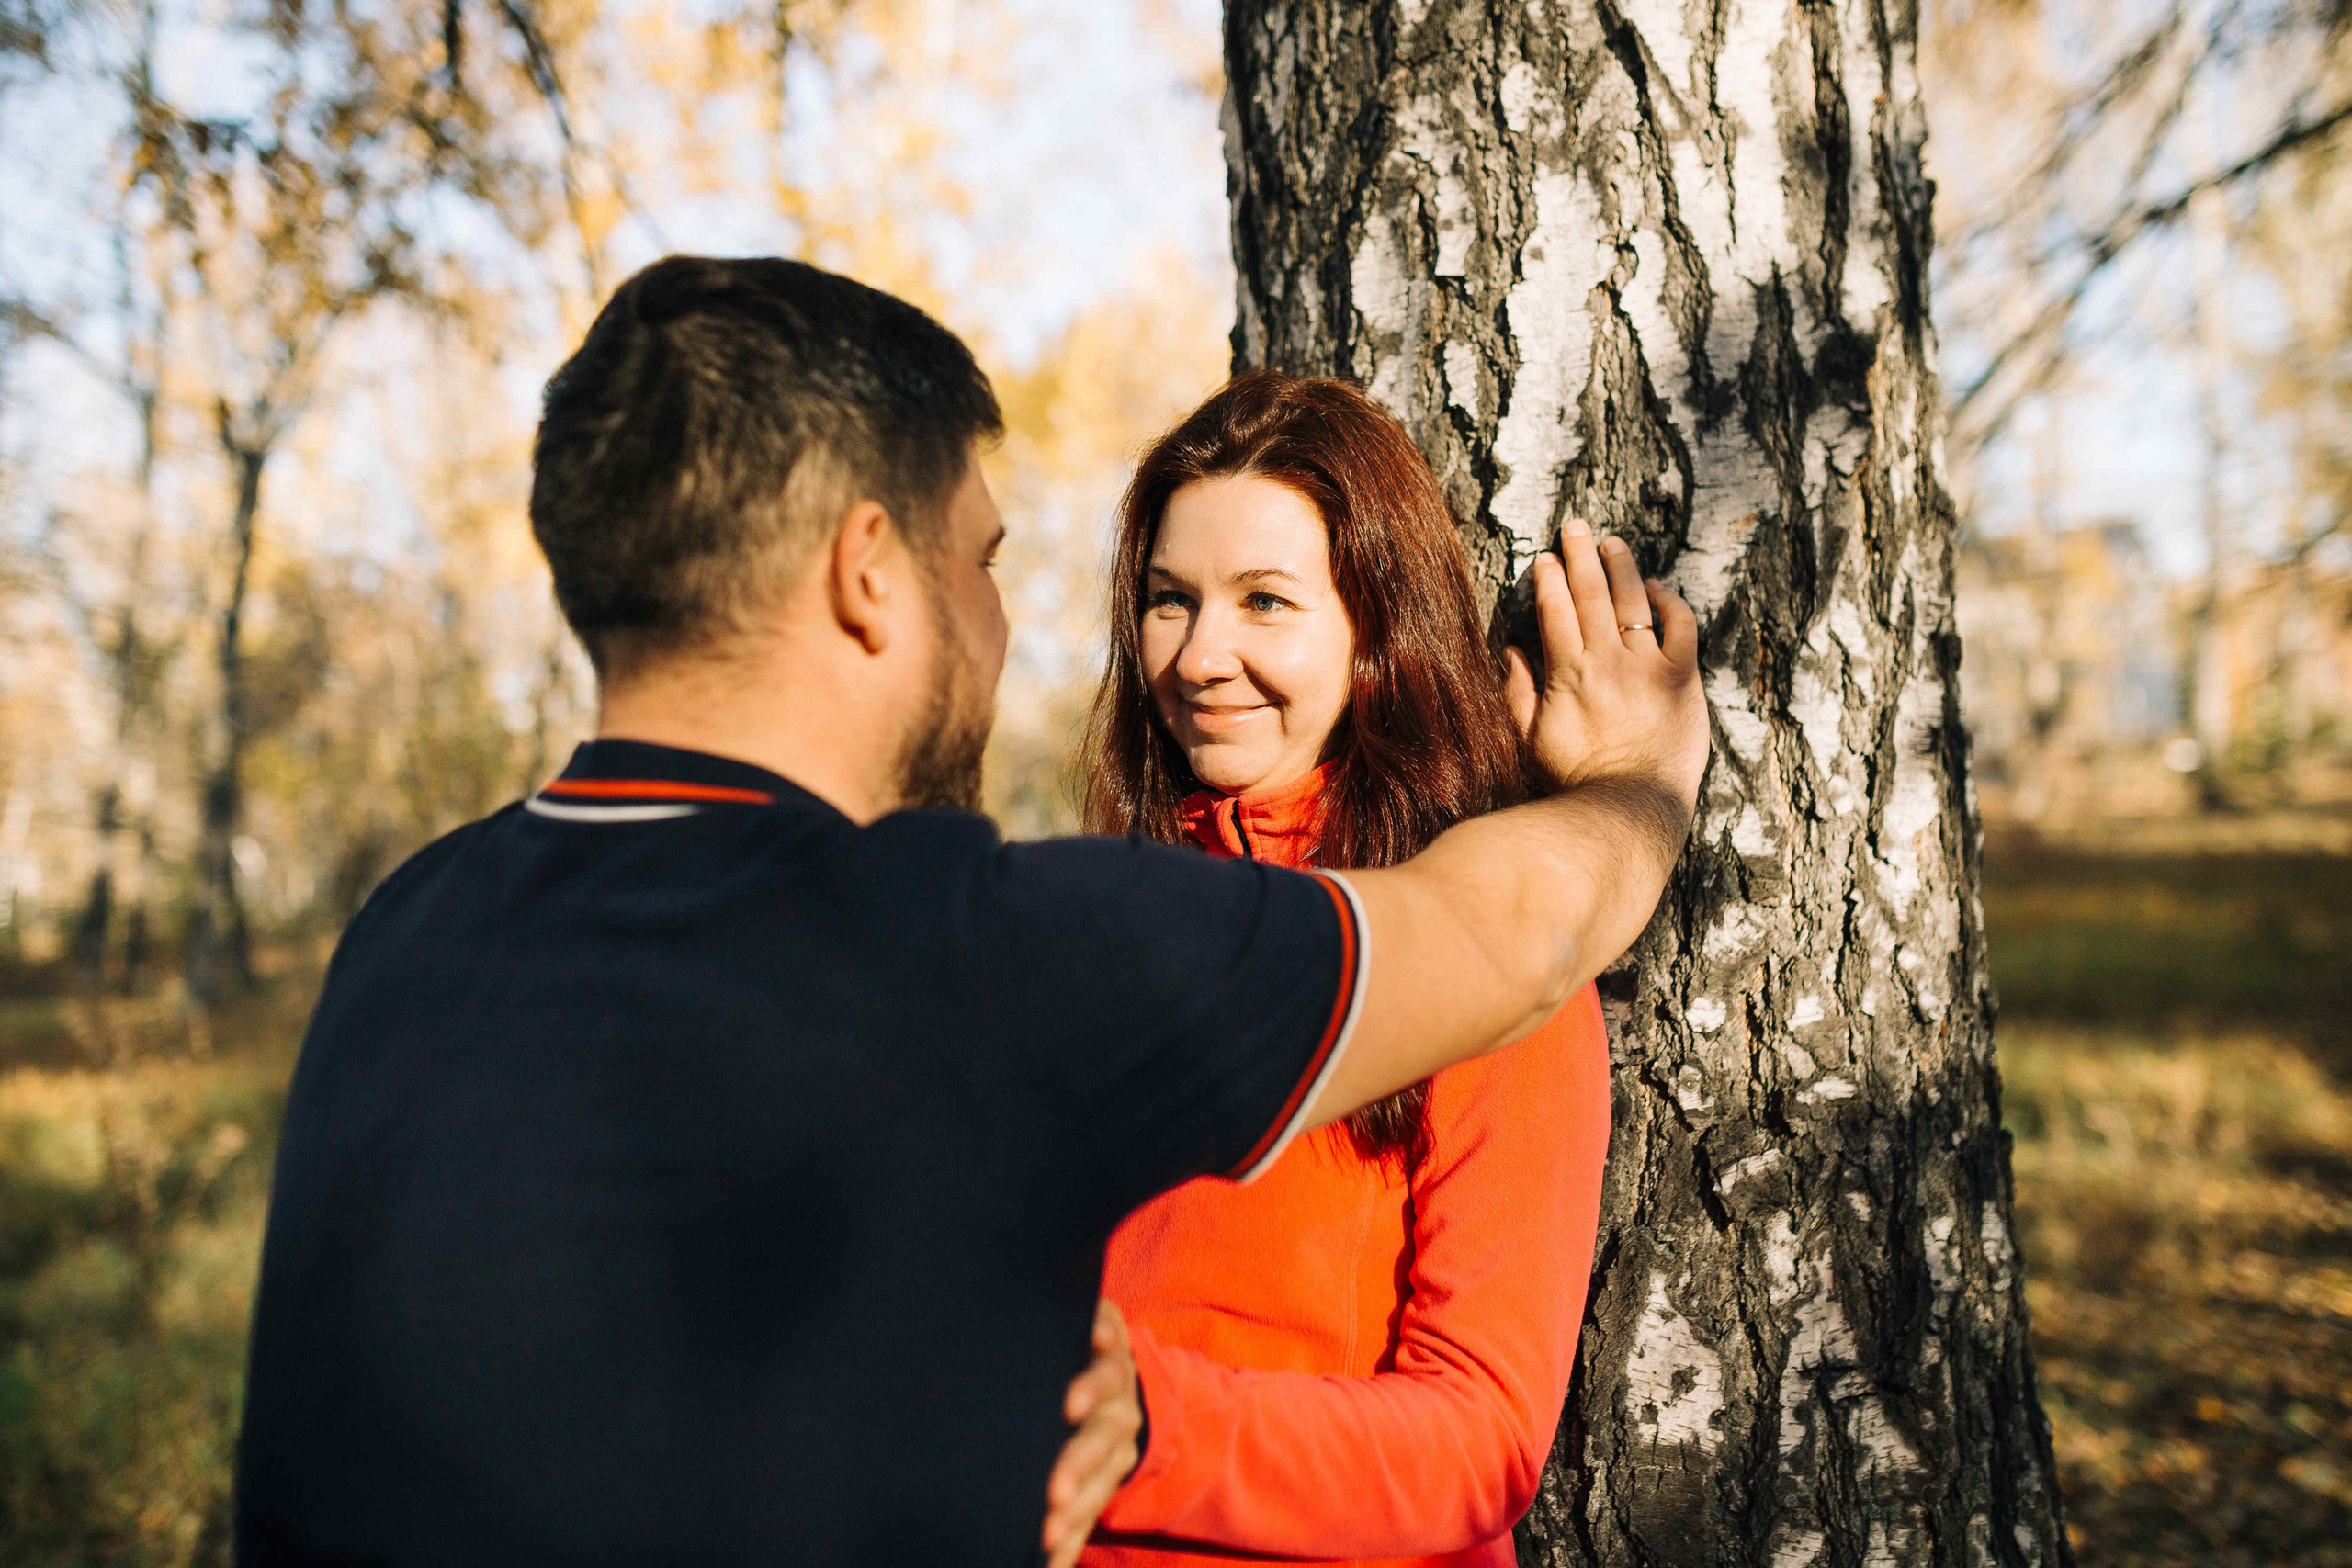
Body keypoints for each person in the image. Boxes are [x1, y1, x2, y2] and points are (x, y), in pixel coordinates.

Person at [232, 254, 1708, 1568]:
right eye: (979, 561)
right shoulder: (999, 950)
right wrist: (1637, 787)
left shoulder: (407, 933)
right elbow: (1509, 936)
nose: (1017, 625)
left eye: (1269, 600)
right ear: (869, 574)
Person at [1073, 373, 1610, 1566]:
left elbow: (1486, 1440)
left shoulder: (1488, 966)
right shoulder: (1100, 923)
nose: (1202, 656)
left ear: (1378, 630)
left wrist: (1153, 1426)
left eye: (1266, 601)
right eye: (1170, 600)